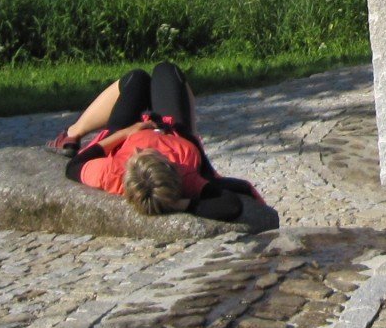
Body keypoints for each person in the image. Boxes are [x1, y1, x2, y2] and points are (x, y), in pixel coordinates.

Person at [49, 63, 263, 221]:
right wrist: (181, 204)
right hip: (174, 129)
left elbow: (74, 166)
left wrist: (126, 133)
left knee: (136, 79)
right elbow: (230, 205)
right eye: (153, 152)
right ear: (171, 167)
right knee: (167, 71)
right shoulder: (186, 172)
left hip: (122, 133)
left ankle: (73, 133)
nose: (144, 146)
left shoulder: (112, 173)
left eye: (140, 152)